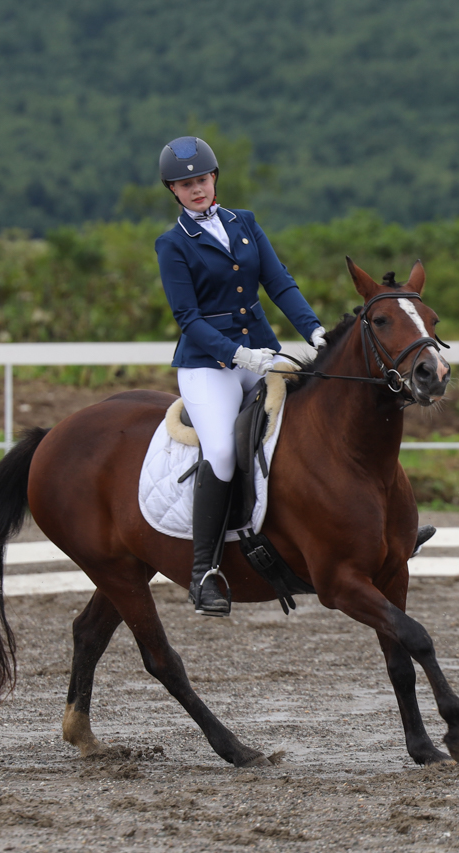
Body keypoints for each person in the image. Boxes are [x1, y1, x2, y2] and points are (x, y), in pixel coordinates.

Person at [155, 136, 327, 617]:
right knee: (225, 452)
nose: (197, 190)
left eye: (202, 179)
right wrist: (238, 355)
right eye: (186, 184)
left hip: (261, 351)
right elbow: (187, 318)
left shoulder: (244, 223)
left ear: (214, 179)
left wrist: (313, 331)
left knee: (315, 417)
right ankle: (203, 572)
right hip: (209, 365)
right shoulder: (172, 244)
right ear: (173, 189)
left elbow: (278, 282)